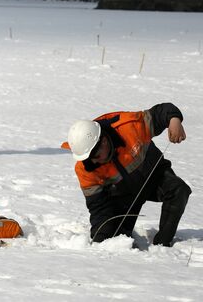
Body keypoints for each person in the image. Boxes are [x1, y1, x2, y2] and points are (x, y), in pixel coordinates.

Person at [66, 103, 191, 246]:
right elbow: (98, 207)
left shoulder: (129, 127)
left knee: (179, 190)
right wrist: (101, 235)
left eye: (95, 154)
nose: (93, 160)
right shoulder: (85, 169)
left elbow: (162, 112)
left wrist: (174, 120)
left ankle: (163, 245)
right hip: (123, 196)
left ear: (104, 141)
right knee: (109, 241)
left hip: (154, 176)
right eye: (88, 157)